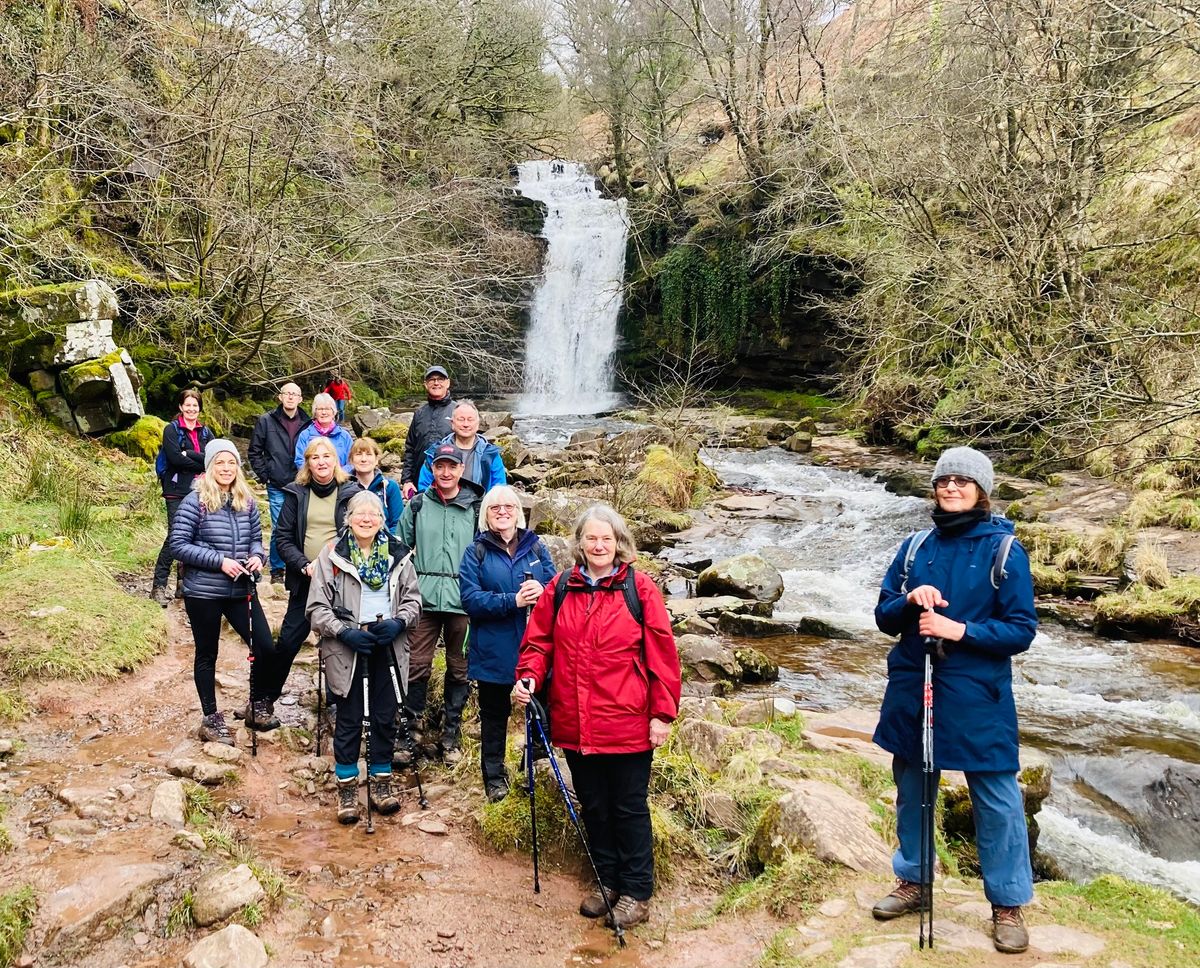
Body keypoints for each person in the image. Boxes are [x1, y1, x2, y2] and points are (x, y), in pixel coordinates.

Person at [871, 446, 1037, 955]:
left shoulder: (1006, 551)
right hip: (913, 686)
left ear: (982, 491)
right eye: (945, 480)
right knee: (913, 787)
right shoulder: (915, 545)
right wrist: (910, 600)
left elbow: (1020, 630)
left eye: (963, 481)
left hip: (977, 695)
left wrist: (958, 629)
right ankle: (914, 881)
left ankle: (1007, 905)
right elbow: (884, 615)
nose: (951, 488)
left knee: (996, 798)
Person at [514, 504, 681, 930]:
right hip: (575, 720)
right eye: (591, 538)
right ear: (580, 544)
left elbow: (663, 655)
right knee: (594, 805)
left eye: (607, 538)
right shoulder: (561, 588)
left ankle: (637, 892)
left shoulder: (639, 589)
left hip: (627, 721)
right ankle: (607, 881)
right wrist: (529, 677)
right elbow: (539, 642)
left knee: (628, 806)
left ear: (619, 542)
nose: (599, 545)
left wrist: (662, 714)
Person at [307, 491, 423, 824]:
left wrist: (399, 622)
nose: (367, 518)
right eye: (360, 513)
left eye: (374, 513)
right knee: (349, 719)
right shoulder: (331, 556)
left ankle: (381, 785)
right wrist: (344, 632)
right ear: (349, 517)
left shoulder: (399, 553)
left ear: (382, 519)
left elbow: (414, 601)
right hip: (348, 648)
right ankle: (346, 791)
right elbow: (315, 609)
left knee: (386, 718)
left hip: (388, 643)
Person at [168, 439, 273, 745]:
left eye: (231, 463)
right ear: (210, 466)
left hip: (241, 588)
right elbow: (178, 545)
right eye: (220, 463)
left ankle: (255, 703)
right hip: (203, 592)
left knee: (265, 646)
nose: (226, 468)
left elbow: (256, 538)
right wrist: (220, 561)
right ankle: (211, 718)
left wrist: (258, 557)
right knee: (207, 654)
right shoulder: (195, 501)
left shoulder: (246, 500)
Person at [458, 485, 556, 802]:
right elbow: (470, 599)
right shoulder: (476, 552)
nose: (502, 511)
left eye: (509, 506)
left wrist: (543, 594)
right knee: (495, 716)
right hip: (493, 649)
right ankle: (495, 779)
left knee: (541, 712)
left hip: (536, 649)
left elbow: (557, 589)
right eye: (495, 507)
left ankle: (536, 772)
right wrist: (511, 600)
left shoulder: (537, 547)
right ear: (486, 515)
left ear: (519, 512)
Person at [396, 443, 482, 764]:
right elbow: (398, 548)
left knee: (460, 669)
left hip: (463, 600)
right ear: (432, 469)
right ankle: (410, 732)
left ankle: (451, 734)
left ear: (461, 470)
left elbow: (485, 553)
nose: (445, 472)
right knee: (417, 664)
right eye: (440, 466)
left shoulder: (475, 508)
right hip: (424, 599)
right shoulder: (418, 505)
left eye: (452, 467)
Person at [268, 438, 362, 728]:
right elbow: (282, 538)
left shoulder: (351, 492)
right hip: (305, 578)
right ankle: (264, 698)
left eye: (327, 456)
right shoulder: (296, 494)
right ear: (307, 463)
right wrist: (303, 565)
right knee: (288, 640)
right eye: (315, 457)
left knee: (338, 642)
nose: (321, 462)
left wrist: (338, 563)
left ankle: (337, 702)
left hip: (340, 580)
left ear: (336, 460)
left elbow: (363, 533)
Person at [151, 389, 215, 606]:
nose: (191, 409)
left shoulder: (206, 432)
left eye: (195, 405)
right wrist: (199, 460)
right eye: (187, 405)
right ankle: (158, 586)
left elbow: (213, 459)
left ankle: (183, 584)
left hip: (201, 489)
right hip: (176, 489)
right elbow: (175, 459)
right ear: (180, 407)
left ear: (199, 408)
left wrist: (191, 454)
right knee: (175, 536)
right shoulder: (171, 430)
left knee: (196, 535)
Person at [248, 382, 311, 583]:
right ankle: (277, 569)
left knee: (301, 526)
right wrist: (264, 474)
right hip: (277, 483)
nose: (291, 397)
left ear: (301, 399)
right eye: (287, 393)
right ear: (280, 397)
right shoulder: (266, 421)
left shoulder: (308, 422)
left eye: (295, 394)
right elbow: (254, 450)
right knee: (279, 528)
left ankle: (298, 564)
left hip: (302, 483)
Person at [416, 400, 507, 494]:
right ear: (452, 423)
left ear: (478, 423)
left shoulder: (490, 454)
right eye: (461, 419)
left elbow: (499, 489)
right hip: (442, 506)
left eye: (470, 419)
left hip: (479, 506)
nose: (466, 424)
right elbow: (424, 486)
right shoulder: (436, 452)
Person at [400, 365, 455, 500]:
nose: (436, 383)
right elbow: (410, 449)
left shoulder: (457, 411)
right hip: (420, 481)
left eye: (440, 379)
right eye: (432, 379)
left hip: (450, 481)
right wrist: (407, 480)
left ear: (448, 383)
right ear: (426, 384)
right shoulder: (419, 413)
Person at [349, 438, 403, 535]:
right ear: (351, 460)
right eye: (358, 454)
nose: (363, 459)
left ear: (376, 459)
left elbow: (398, 523)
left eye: (369, 454)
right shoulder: (344, 487)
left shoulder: (390, 487)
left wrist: (386, 544)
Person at [293, 393, 353, 471]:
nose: (324, 412)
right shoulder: (305, 435)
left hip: (341, 480)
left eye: (327, 409)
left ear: (333, 412)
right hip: (313, 481)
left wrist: (338, 474)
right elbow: (300, 461)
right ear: (315, 412)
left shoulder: (344, 436)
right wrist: (317, 475)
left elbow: (352, 462)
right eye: (320, 409)